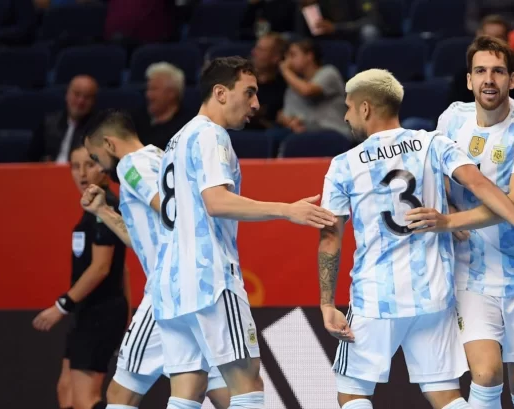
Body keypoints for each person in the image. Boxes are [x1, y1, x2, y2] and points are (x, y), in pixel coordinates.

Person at [317, 68, 514, 409]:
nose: (346, 114)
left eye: (349, 107)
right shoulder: (433, 143)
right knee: (446, 394)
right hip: (434, 294)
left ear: (366, 108)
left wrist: (326, 303)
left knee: (353, 391)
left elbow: (330, 238)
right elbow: (482, 186)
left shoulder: (343, 164)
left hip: (376, 296)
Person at [153, 56, 337, 409]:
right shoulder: (211, 135)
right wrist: (288, 210)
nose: (256, 104)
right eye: (249, 93)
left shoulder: (177, 139)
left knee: (187, 391)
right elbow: (217, 202)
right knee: (248, 383)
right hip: (210, 280)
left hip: (172, 287)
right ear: (220, 93)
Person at [409, 36, 514, 409]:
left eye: (497, 71)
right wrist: (443, 206)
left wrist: (451, 220)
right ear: (468, 80)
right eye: (480, 71)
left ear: (512, 80)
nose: (488, 79)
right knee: (487, 373)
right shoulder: (451, 119)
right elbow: (436, 178)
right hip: (470, 272)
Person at [80, 109, 232, 409]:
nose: (97, 169)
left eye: (95, 158)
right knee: (219, 392)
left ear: (110, 144)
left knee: (120, 395)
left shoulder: (130, 166)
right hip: (194, 289)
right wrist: (103, 211)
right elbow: (147, 234)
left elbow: (174, 211)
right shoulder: (158, 159)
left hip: (167, 292)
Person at [32, 143, 128, 409]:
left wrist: (61, 306)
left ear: (105, 167)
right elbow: (124, 270)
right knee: (66, 390)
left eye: (90, 164)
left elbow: (101, 267)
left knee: (86, 399)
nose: (82, 173)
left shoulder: (106, 207)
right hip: (87, 312)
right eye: (75, 166)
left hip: (100, 313)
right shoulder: (91, 206)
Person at [29, 75, 98, 163]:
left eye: (87, 97)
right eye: (77, 94)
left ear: (94, 101)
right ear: (67, 95)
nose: (80, 101)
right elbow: (30, 159)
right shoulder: (48, 123)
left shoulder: (98, 129)